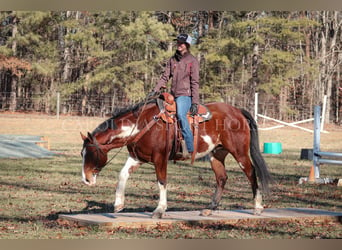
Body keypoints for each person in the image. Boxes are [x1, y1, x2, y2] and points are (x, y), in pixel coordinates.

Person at [150, 33, 200, 158]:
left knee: (181, 115)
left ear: (187, 45)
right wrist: (155, 90)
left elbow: (195, 83)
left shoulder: (192, 61)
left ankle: (189, 147)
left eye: (181, 43)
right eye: (178, 42)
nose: (179, 45)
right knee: (157, 111)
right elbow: (165, 77)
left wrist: (195, 102)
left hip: (185, 95)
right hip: (172, 94)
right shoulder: (172, 60)